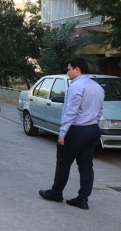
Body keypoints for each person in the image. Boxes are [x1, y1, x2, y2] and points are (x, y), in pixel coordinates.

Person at [39, 58, 104, 210]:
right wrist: (93, 123)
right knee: (86, 166)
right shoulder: (97, 87)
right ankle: (83, 199)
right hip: (93, 129)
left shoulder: (76, 86)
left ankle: (56, 193)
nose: (67, 72)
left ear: (77, 69)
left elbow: (71, 111)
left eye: (69, 69)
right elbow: (100, 111)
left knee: (63, 162)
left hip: (77, 130)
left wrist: (63, 132)